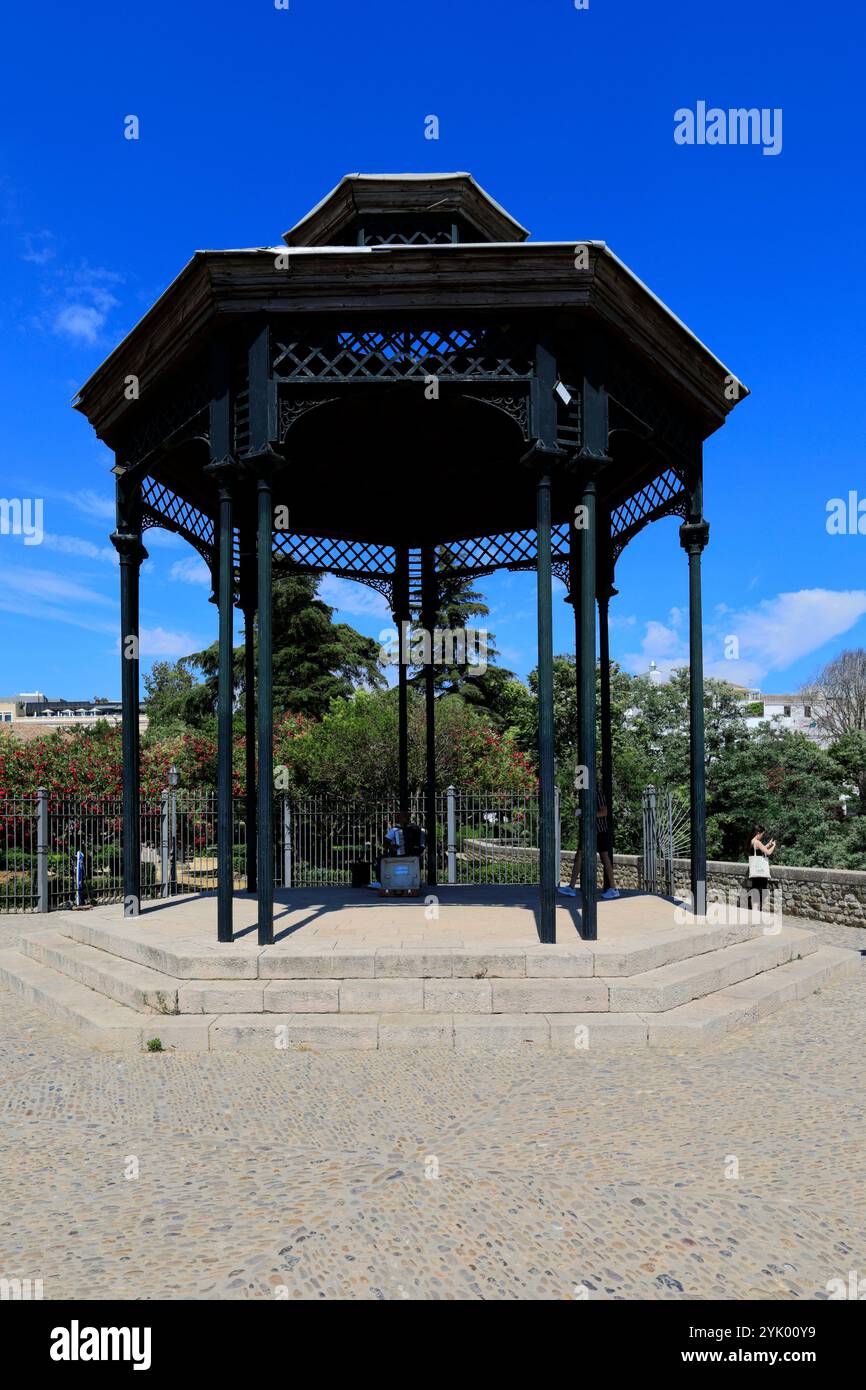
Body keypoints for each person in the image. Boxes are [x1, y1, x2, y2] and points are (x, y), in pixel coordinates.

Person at [558, 785, 619, 900]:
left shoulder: (597, 794)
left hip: (600, 832)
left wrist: (588, 815)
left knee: (604, 858)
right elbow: (579, 812)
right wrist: (578, 813)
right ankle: (571, 887)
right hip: (588, 831)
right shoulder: (583, 795)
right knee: (579, 856)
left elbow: (604, 812)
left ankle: (613, 888)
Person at [748, 824, 776, 907]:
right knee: (760, 889)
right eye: (762, 834)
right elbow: (768, 852)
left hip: (755, 869)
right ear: (758, 833)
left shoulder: (752, 841)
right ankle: (757, 908)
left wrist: (768, 844)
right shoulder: (757, 842)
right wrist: (774, 845)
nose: (762, 836)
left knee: (755, 887)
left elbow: (761, 849)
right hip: (760, 871)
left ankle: (752, 906)